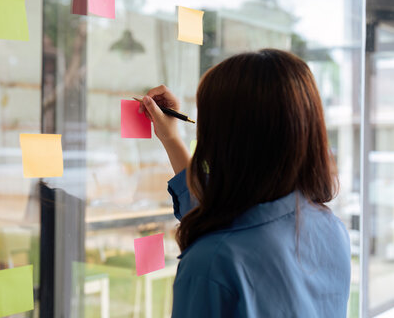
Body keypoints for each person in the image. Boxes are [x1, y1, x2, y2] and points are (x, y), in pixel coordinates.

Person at [139, 49, 351, 317]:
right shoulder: (329, 228)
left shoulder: (212, 265)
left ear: (226, 142)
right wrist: (171, 138)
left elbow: (230, 237)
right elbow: (236, 221)